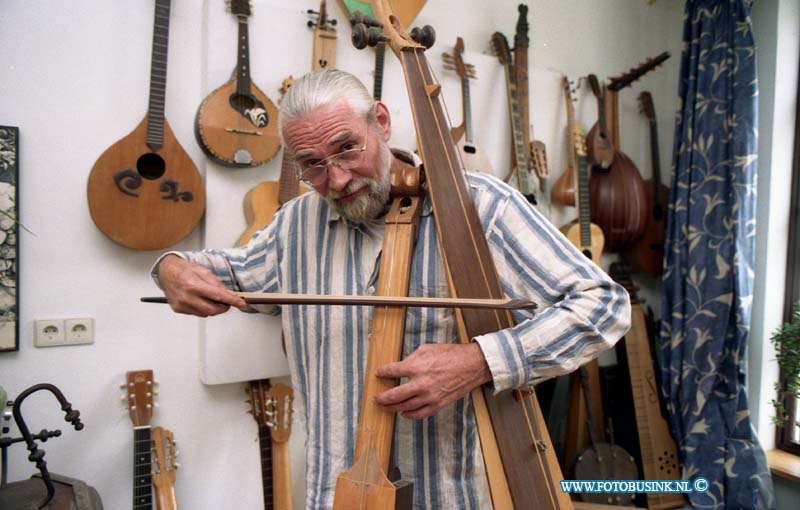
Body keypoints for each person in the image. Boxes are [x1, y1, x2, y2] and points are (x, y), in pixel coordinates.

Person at [152, 69, 631, 509]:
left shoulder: (482, 207)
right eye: (312, 165)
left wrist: (480, 361)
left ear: (380, 121)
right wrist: (171, 267)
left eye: (346, 149)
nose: (336, 179)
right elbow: (226, 272)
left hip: (450, 495)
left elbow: (603, 305)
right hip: (334, 492)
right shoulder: (297, 223)